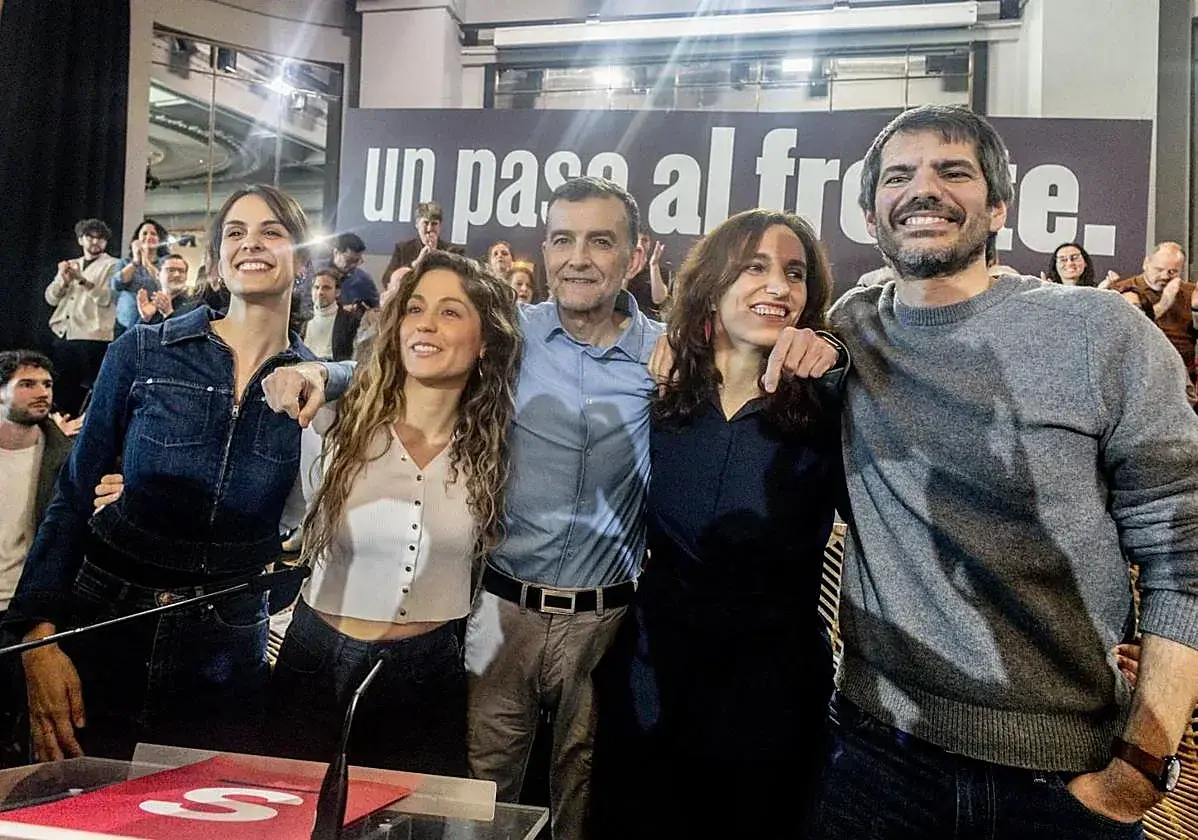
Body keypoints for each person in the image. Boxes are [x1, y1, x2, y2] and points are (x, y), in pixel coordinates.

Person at [260, 177, 838, 838]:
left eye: (600, 241)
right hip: (500, 612)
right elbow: (405, 361)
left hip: (606, 628)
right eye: (563, 239)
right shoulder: (507, 336)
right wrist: (323, 374)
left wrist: (830, 350)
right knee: (474, 802)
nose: (578, 257)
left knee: (584, 806)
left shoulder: (667, 364)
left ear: (636, 252)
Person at [809, 104, 1198, 838]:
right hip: (872, 762)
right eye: (900, 176)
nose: (923, 189)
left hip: (1061, 784)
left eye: (952, 172)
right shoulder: (855, 324)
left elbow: (1185, 555)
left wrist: (1139, 770)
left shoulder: (1101, 332)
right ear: (870, 215)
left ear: (997, 208)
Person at [3, 184, 318, 763]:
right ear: (219, 264)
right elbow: (72, 495)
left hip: (227, 644)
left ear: (300, 262)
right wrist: (37, 637)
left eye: (273, 231)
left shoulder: (315, 390)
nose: (252, 243)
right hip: (108, 619)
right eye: (236, 232)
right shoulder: (145, 352)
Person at [592, 209, 846, 838]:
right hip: (653, 680)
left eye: (794, 274)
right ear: (712, 284)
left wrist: (835, 354)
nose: (779, 287)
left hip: (772, 697)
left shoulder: (834, 406)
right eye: (754, 267)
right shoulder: (660, 395)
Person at [265, 252, 522, 775]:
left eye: (451, 312)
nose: (426, 323)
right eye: (416, 308)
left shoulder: (501, 445)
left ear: (485, 341)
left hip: (425, 673)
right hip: (314, 654)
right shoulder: (337, 414)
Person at [0, 352, 74, 768]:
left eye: (46, 384)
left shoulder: (68, 459)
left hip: (27, 615)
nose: (42, 392)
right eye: (28, 384)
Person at [44, 219, 119, 417]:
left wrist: (81, 279)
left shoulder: (112, 265)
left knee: (89, 392)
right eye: (90, 237)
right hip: (64, 333)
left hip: (93, 336)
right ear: (80, 240)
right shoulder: (71, 264)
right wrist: (63, 279)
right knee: (62, 390)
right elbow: (51, 298)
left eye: (100, 238)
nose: (95, 242)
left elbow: (105, 298)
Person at [1112, 242, 1196, 377]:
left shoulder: (1190, 292)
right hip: (1139, 372)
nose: (1164, 276)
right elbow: (1128, 329)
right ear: (1146, 264)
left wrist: (1196, 310)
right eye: (1159, 269)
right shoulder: (1123, 290)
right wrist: (1165, 302)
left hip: (1182, 373)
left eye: (1172, 272)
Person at [110, 219, 168, 338]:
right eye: (144, 233)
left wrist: (146, 262)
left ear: (160, 239)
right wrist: (136, 262)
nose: (149, 237)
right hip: (125, 323)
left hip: (155, 323)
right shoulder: (125, 263)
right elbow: (116, 284)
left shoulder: (165, 263)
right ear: (137, 239)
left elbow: (164, 284)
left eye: (153, 234)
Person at [382, 201, 462, 280]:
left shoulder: (454, 252)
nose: (429, 229)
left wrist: (437, 256)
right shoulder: (403, 249)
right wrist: (415, 264)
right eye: (425, 223)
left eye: (434, 224)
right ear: (417, 224)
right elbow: (387, 280)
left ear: (440, 226)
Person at [303, 267, 361, 362]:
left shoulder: (350, 321)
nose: (320, 292)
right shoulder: (302, 319)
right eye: (316, 287)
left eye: (326, 288)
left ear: (337, 292)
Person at [135, 254, 200, 324]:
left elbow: (190, 333)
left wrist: (168, 314)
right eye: (171, 270)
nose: (177, 275)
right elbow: (130, 334)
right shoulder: (150, 305)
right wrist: (145, 319)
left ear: (186, 276)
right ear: (157, 275)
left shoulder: (195, 305)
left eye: (181, 271)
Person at [330, 233, 380, 312]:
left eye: (357, 261)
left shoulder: (364, 280)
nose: (354, 265)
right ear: (336, 253)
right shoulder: (317, 273)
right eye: (349, 261)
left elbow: (376, 310)